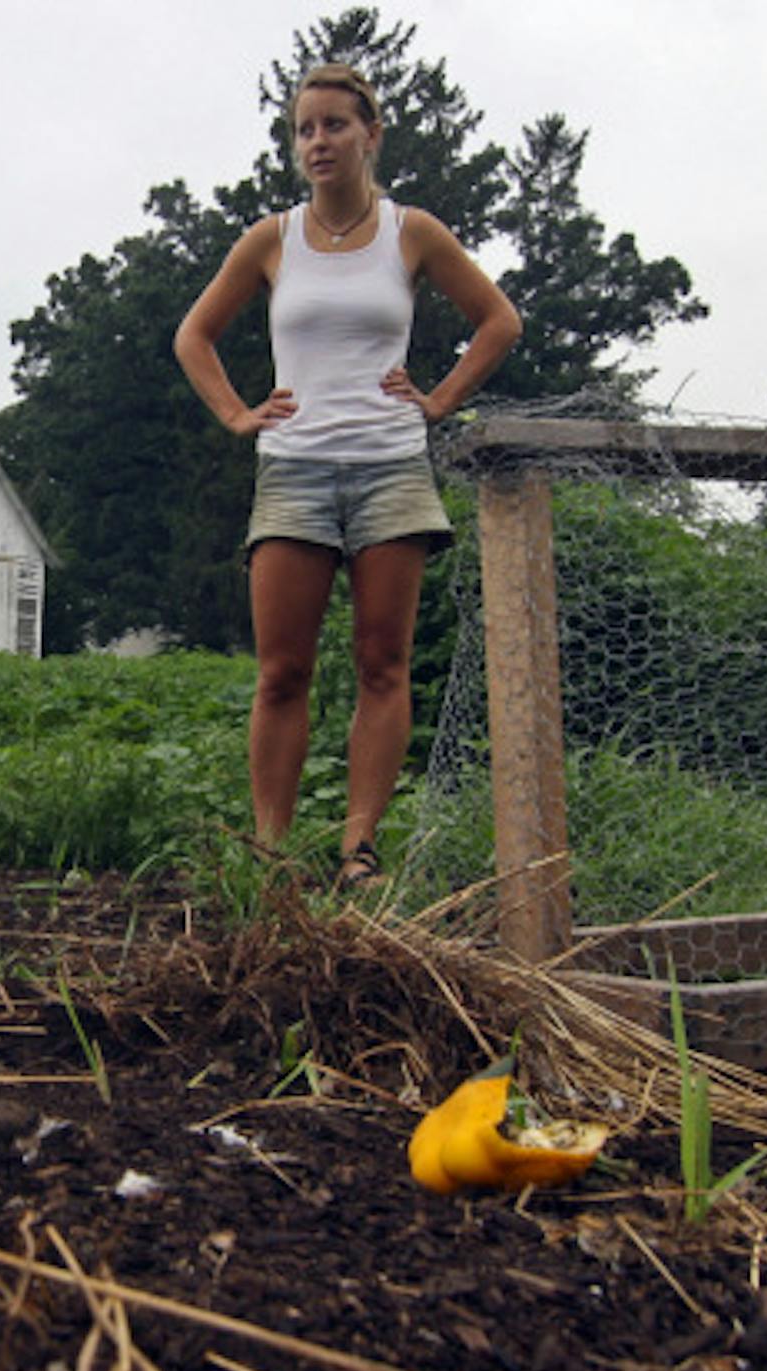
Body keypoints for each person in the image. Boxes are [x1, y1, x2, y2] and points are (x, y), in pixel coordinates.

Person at [174, 62, 520, 886]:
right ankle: (269, 852)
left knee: (381, 664)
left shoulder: (413, 233)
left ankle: (358, 848)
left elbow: (499, 321)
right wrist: (236, 415)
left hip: (389, 468)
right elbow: (195, 337)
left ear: (371, 134)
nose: (317, 143)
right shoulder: (273, 239)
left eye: (333, 125)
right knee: (282, 669)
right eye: (304, 130)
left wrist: (437, 400)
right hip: (293, 468)